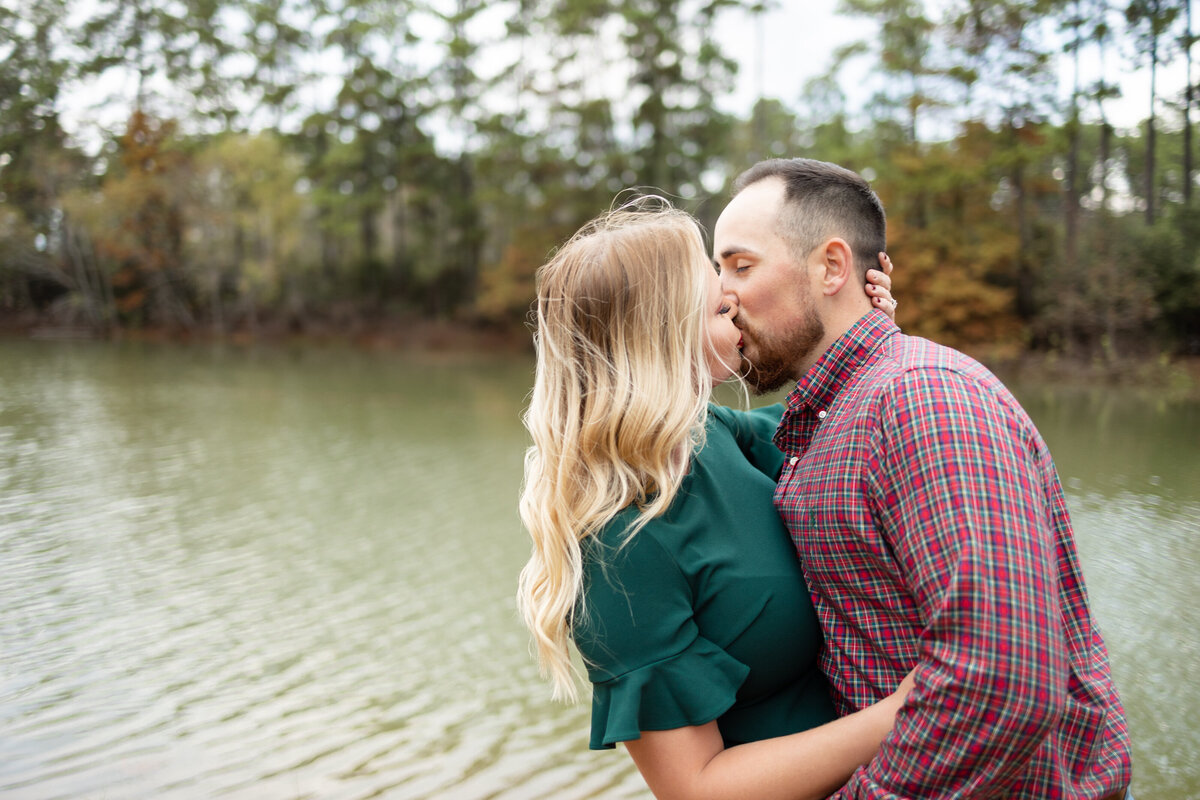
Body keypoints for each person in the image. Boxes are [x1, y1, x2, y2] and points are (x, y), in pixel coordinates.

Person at [712, 157, 1134, 799]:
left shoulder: (923, 402)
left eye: (740, 266)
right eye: (719, 272)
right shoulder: (825, 419)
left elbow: (1003, 681)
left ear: (831, 267)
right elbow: (685, 427)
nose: (723, 293)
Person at [517, 199, 909, 800]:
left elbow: (837, 419)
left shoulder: (708, 434)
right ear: (666, 334)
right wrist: (904, 713)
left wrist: (853, 319)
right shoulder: (617, 545)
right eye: (721, 302)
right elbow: (697, 788)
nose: (737, 301)